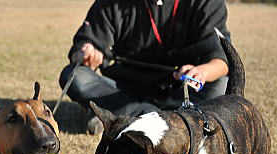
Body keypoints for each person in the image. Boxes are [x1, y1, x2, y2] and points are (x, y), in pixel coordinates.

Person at [59, 0, 231, 134]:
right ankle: (168, 119)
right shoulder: (112, 3)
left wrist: (202, 71)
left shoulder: (206, 3)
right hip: (121, 90)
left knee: (220, 84)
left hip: (180, 90)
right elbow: (80, 50)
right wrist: (86, 53)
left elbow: (222, 60)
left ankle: (120, 118)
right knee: (74, 75)